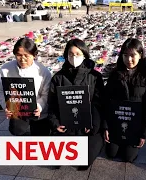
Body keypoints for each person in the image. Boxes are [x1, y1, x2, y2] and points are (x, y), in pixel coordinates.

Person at [47, 39, 104, 170]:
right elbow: (52, 104)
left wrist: (93, 123)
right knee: (56, 159)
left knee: (85, 159)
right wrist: (56, 124)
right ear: (66, 55)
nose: (74, 57)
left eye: (78, 54)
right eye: (70, 54)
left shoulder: (95, 76)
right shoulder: (58, 78)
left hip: (87, 124)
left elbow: (98, 103)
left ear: (84, 55)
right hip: (66, 124)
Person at [102, 38, 146, 162]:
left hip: (136, 125)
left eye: (133, 55)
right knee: (111, 152)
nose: (129, 60)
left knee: (129, 157)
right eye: (125, 55)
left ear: (141, 55)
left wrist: (145, 134)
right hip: (116, 122)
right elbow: (106, 101)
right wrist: (106, 126)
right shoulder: (115, 75)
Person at [0, 38, 52, 136]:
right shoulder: (5, 70)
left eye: (26, 55)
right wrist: (6, 106)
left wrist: (39, 106)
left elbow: (46, 94)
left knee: (41, 134)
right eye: (19, 55)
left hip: (37, 112)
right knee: (17, 131)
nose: (22, 59)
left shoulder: (43, 72)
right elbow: (0, 90)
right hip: (17, 111)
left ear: (34, 55)